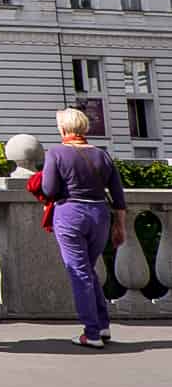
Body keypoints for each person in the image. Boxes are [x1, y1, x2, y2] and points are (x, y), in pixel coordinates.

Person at [39, 107, 127, 348]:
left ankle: (92, 333)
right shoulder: (103, 155)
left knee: (78, 272)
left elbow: (49, 190)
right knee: (88, 268)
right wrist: (121, 226)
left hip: (70, 214)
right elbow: (118, 196)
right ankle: (103, 324)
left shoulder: (56, 153)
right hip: (100, 216)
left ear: (64, 129)